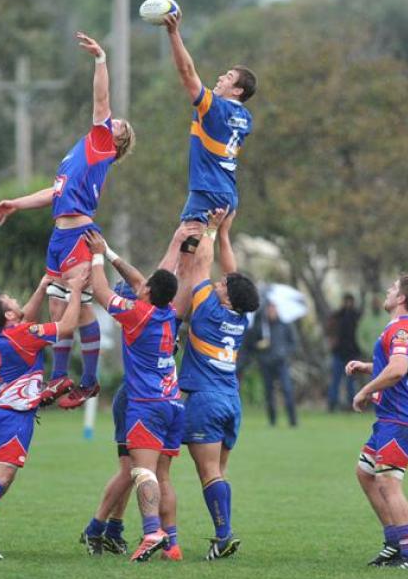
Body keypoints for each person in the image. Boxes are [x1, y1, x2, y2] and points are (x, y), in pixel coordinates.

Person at [0, 32, 135, 410]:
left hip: (78, 236)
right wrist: (17, 205)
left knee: (72, 306)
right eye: (114, 122)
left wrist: (101, 59)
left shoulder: (102, 143)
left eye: (118, 125)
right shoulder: (79, 153)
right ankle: (68, 378)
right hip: (60, 235)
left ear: (116, 142)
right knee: (65, 307)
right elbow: (54, 193)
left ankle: (78, 380)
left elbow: (101, 99)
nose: (113, 121)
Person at [79, 224, 200, 560]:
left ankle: (150, 533)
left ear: (147, 293)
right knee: (162, 475)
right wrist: (113, 252)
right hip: (174, 403)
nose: (140, 284)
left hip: (144, 404)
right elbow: (140, 281)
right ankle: (171, 543)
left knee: (139, 472)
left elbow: (102, 292)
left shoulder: (136, 314)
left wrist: (97, 257)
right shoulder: (169, 312)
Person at [0, 272, 86, 559]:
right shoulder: (22, 335)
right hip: (11, 415)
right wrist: (75, 291)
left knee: (2, 479)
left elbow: (23, 317)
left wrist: (41, 287)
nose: (18, 302)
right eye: (12, 301)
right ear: (9, 314)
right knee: (0, 477)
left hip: (0, 412)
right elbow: (67, 326)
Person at [177, 208, 260, 560]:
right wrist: (226, 233)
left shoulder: (209, 310)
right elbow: (231, 273)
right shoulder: (240, 317)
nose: (219, 282)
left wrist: (209, 230)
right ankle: (221, 531)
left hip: (205, 400)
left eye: (223, 286)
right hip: (230, 401)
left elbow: (199, 267)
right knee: (218, 473)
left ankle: (224, 536)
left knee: (209, 473)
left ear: (225, 297)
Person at [345, 274, 408, 569]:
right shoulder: (398, 328)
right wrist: (367, 367)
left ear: (402, 298)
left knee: (388, 482)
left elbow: (398, 369)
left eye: (393, 288)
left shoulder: (403, 330)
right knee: (365, 473)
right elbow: (394, 366)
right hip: (388, 418)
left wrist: (365, 391)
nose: (388, 291)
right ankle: (393, 543)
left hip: (400, 418)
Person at [161, 10, 256, 251]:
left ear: (237, 91)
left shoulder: (215, 108)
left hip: (208, 190)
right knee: (215, 243)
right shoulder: (245, 117)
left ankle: (184, 289)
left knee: (185, 256)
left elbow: (187, 72)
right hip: (228, 193)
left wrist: (173, 34)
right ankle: (231, 286)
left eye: (229, 77)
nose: (221, 78)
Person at [247, 301, 298, 427]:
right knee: (269, 393)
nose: (271, 312)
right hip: (266, 363)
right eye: (269, 309)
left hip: (281, 363)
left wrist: (284, 352)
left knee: (287, 390)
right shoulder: (261, 326)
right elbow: (251, 344)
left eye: (273, 309)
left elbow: (293, 344)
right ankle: (272, 420)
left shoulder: (285, 325)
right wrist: (260, 345)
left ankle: (293, 421)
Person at [327, 293, 362, 412]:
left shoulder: (357, 317)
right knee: (336, 380)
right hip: (339, 352)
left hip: (351, 353)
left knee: (350, 382)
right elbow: (330, 331)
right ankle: (332, 403)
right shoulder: (337, 316)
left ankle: (351, 404)